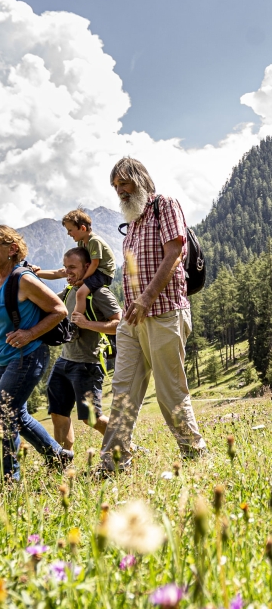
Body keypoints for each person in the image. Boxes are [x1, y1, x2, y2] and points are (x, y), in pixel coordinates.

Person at [99, 157, 206, 473]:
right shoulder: (132, 220)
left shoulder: (165, 205)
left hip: (164, 313)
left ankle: (195, 455)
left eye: (124, 183)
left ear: (140, 179)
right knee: (123, 393)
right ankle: (113, 463)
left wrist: (146, 298)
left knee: (170, 392)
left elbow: (175, 252)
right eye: (115, 186)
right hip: (133, 321)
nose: (120, 191)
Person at [0, 225, 73, 480]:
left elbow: (59, 310)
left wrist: (29, 334)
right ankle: (58, 456)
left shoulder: (24, 279)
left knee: (0, 416)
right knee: (17, 414)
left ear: (12, 249)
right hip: (3, 357)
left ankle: (10, 479)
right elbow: (1, 312)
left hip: (27, 356)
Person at [47, 247, 121, 449]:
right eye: (65, 267)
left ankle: (126, 447)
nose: (67, 272)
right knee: (58, 413)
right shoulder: (70, 290)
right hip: (64, 361)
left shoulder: (99, 293)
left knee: (92, 418)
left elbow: (120, 325)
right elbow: (45, 303)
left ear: (87, 267)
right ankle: (63, 461)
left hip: (87, 364)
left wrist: (88, 324)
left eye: (72, 267)